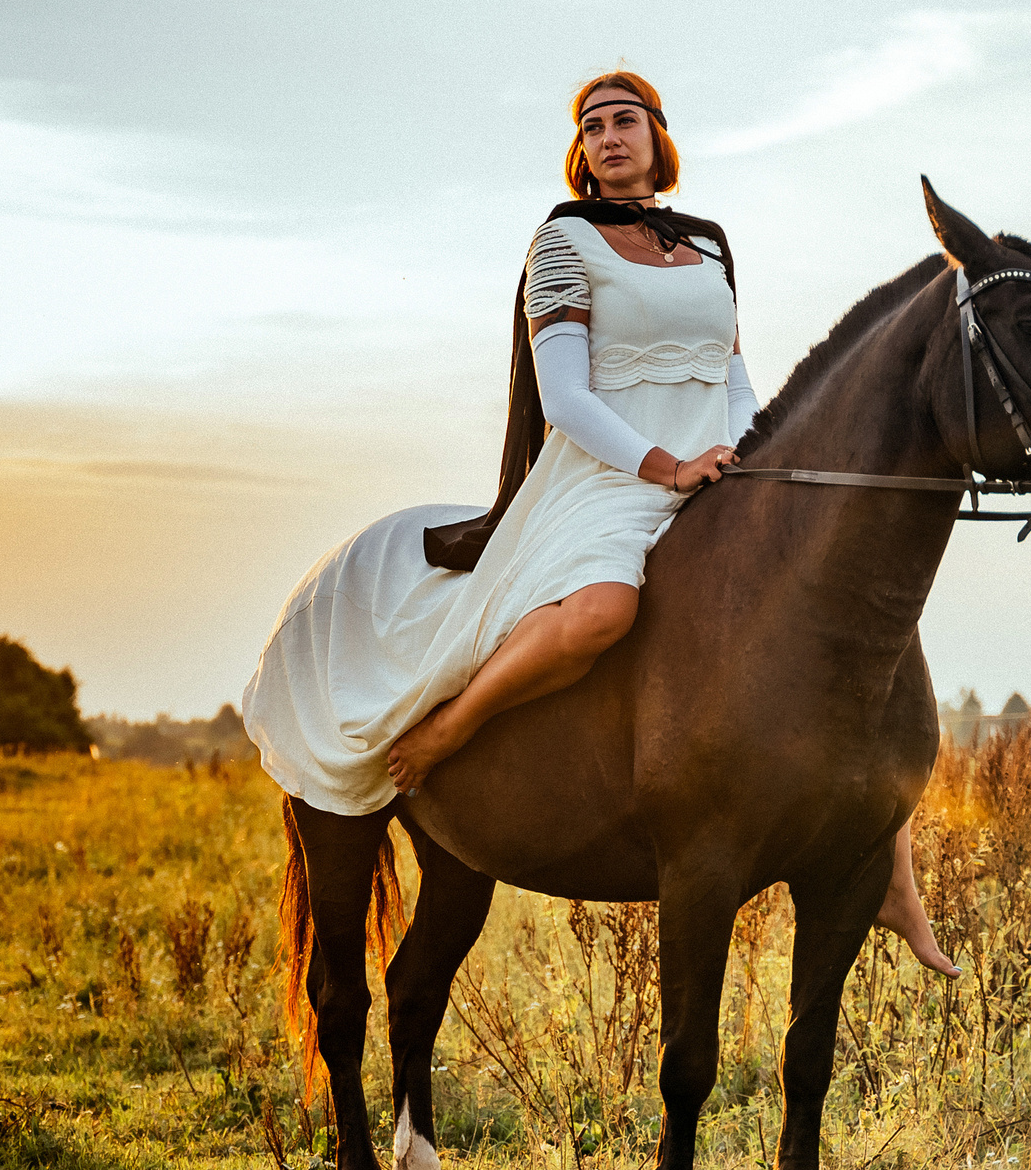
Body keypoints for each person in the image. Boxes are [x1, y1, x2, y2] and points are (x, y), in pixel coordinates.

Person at [241, 69, 956, 976]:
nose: (611, 136)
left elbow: (730, 378)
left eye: (628, 121)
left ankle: (893, 872)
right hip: (607, 476)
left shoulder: (709, 244)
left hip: (713, 466)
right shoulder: (563, 242)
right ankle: (452, 727)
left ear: (660, 137)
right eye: (594, 126)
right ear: (582, 152)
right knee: (601, 612)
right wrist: (666, 465)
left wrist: (747, 460)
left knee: (843, 622)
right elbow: (566, 395)